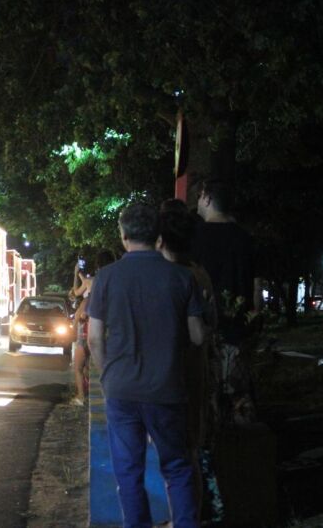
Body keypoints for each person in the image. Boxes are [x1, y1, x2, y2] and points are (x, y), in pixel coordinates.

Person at [88, 203, 205, 528]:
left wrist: (107, 376)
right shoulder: (182, 277)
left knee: (128, 471)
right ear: (158, 235)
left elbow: (94, 338)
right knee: (178, 468)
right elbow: (197, 337)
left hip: (121, 390)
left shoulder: (106, 277)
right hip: (167, 389)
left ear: (123, 236)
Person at [159, 202, 224, 524]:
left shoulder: (158, 277)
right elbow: (209, 325)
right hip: (193, 373)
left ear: (160, 240)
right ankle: (188, 517)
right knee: (190, 452)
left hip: (159, 377)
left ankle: (177, 518)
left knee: (167, 455)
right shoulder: (200, 275)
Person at [192, 178, 260, 426]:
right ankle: (241, 454)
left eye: (199, 197)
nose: (198, 202)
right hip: (238, 330)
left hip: (207, 331)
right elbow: (256, 286)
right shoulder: (245, 238)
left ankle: (212, 456)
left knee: (209, 401)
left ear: (207, 198)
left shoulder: (196, 238)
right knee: (239, 400)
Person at [70, 250, 115, 407]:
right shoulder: (115, 281)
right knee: (96, 365)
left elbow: (75, 293)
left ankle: (81, 397)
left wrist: (76, 274)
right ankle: (101, 394)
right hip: (106, 325)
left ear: (97, 265)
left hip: (86, 327)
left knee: (79, 366)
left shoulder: (91, 281)